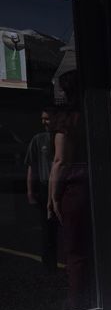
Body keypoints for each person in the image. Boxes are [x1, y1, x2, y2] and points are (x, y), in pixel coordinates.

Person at [25, 108, 58, 270]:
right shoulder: (38, 140)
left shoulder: (62, 136)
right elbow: (32, 167)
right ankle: (49, 264)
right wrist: (30, 192)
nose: (44, 122)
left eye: (47, 118)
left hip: (62, 186)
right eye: (42, 119)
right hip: (45, 187)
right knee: (48, 227)